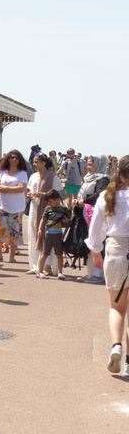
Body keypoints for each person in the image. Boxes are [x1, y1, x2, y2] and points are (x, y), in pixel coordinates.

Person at [85, 155, 129, 375]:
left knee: (116, 307)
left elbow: (95, 231)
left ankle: (116, 346)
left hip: (115, 252)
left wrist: (95, 251)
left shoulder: (106, 196)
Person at [26, 154, 62, 275]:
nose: (35, 164)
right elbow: (29, 189)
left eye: (38, 162)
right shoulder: (33, 176)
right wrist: (30, 194)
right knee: (34, 234)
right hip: (34, 208)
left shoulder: (53, 177)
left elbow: (58, 193)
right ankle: (35, 265)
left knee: (48, 236)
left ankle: (48, 266)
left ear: (44, 162)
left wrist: (44, 195)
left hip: (48, 210)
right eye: (34, 162)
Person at [0, 150, 28, 264]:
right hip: (2, 206)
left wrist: (3, 188)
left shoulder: (22, 173)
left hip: (16, 208)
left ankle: (12, 257)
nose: (14, 159)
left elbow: (21, 188)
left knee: (13, 234)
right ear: (8, 159)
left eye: (16, 157)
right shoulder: (2, 172)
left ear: (19, 159)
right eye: (11, 157)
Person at [76, 156, 110, 283]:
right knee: (90, 244)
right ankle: (92, 273)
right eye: (88, 163)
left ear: (98, 164)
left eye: (91, 163)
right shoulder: (88, 178)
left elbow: (99, 195)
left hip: (97, 216)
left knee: (98, 243)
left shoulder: (103, 179)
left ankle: (99, 274)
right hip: (86, 215)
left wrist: (83, 201)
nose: (88, 165)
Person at [36, 190, 70, 280]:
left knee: (59, 254)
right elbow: (43, 219)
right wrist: (40, 229)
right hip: (48, 234)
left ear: (58, 199)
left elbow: (68, 222)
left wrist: (65, 226)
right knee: (44, 253)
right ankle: (39, 271)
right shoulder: (48, 209)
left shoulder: (64, 210)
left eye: (51, 201)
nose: (50, 203)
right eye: (49, 202)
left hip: (59, 234)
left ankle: (60, 272)